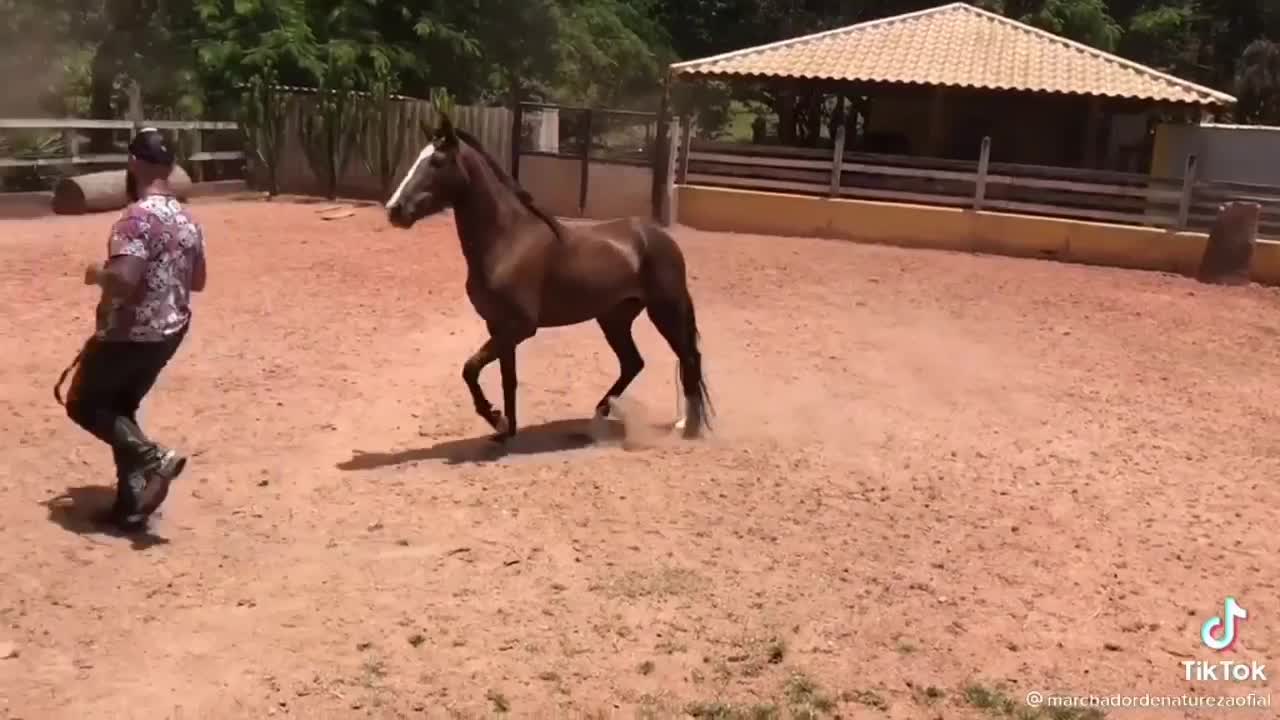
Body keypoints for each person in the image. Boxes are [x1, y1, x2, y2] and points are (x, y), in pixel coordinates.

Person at [63, 127, 207, 530]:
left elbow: (124, 279)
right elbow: (197, 282)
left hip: (131, 332)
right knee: (120, 407)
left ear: (132, 162)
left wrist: (96, 274)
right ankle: (130, 505)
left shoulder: (136, 218)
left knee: (85, 404)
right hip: (170, 331)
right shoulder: (187, 219)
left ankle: (151, 456)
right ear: (171, 166)